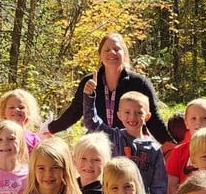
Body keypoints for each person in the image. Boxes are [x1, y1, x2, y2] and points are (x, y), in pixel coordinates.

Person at [45, 32, 173, 145]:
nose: (112, 53)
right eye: (107, 50)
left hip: (130, 144)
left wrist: (172, 146)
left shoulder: (140, 83)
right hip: (98, 144)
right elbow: (75, 111)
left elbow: (154, 119)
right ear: (100, 55)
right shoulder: (89, 82)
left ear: (125, 53)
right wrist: (51, 129)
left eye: (117, 49)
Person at [83, 87, 167, 194]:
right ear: (119, 115)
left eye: (139, 113)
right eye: (127, 112)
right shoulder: (114, 137)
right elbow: (92, 122)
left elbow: (159, 187)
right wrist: (89, 97)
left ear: (147, 116)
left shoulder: (154, 149)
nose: (132, 117)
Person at [0, 89, 42, 158]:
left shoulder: (34, 140)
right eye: (11, 107)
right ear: (3, 112)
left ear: (29, 112)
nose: (16, 110)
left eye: (21, 107)